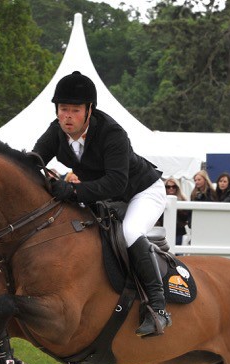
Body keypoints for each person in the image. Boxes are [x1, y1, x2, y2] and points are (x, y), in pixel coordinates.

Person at [32, 70, 170, 337]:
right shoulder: (56, 131)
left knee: (130, 232)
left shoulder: (112, 133)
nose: (67, 117)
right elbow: (33, 161)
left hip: (142, 191)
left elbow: (116, 183)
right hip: (105, 198)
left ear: (89, 110)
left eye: (74, 110)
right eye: (62, 109)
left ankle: (158, 307)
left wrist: (71, 190)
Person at [162, 178, 190, 245]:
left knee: (178, 254)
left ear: (177, 188)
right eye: (168, 187)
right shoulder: (161, 199)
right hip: (163, 231)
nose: (171, 188)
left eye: (173, 186)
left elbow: (187, 217)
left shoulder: (183, 199)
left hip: (178, 231)